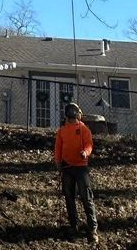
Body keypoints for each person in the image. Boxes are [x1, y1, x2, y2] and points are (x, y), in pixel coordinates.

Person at [54, 101, 98, 244]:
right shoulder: (62, 131)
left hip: (81, 167)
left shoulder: (84, 129)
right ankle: (74, 225)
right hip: (67, 167)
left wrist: (85, 152)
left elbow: (89, 144)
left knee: (86, 197)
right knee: (69, 197)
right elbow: (58, 148)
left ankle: (92, 229)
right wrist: (58, 163)